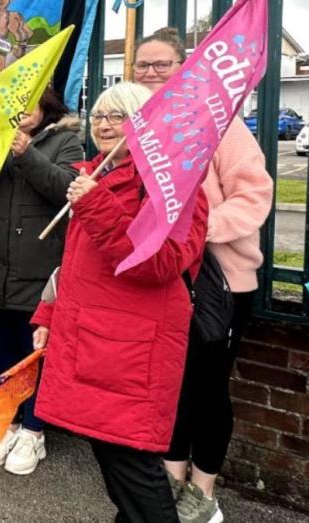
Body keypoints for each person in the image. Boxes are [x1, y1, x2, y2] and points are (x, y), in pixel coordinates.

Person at [32, 81, 208, 523]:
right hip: (93, 340)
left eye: (119, 116)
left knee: (132, 467)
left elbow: (160, 263)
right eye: (99, 117)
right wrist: (48, 315)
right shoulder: (96, 175)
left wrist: (96, 205)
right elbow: (75, 266)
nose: (105, 126)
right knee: (116, 464)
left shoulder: (173, 189)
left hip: (129, 353)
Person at [133, 28, 273, 522]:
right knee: (170, 384)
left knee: (209, 389)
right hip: (166, 281)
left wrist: (194, 230)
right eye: (142, 65)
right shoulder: (141, 128)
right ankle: (172, 477)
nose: (150, 74)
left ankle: (204, 490)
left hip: (220, 283)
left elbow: (255, 195)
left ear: (184, 69)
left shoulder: (220, 125)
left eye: (161, 65)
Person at [0, 87, 82, 472]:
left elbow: (67, 191)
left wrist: (27, 154)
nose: (22, 112)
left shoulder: (66, 140)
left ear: (47, 106)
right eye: (15, 106)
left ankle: (35, 431)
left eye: (31, 104)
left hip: (37, 272)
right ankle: (4, 423)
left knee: (35, 356)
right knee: (3, 351)